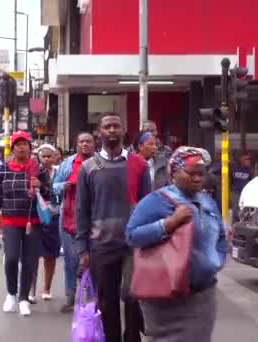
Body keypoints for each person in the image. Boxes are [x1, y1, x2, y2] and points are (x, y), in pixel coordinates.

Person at [125, 146, 226, 342]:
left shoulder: (207, 202)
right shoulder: (156, 201)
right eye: (191, 173)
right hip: (166, 295)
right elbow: (132, 236)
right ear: (174, 173)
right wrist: (169, 223)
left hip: (202, 294)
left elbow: (220, 235)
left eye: (201, 174)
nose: (197, 179)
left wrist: (216, 260)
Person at [75, 113, 150, 342]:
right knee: (106, 303)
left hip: (132, 245)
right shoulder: (88, 168)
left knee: (132, 297)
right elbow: (82, 210)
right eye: (107, 126)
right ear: (99, 131)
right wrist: (83, 249)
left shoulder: (139, 164)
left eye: (116, 126)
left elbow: (148, 206)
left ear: (123, 129)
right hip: (101, 246)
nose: (112, 130)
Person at [0, 130, 51, 317]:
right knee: (11, 258)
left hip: (32, 221)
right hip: (10, 220)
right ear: (13, 148)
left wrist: (41, 187)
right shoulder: (3, 169)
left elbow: (50, 195)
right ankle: (11, 294)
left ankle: (24, 298)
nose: (22, 147)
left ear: (30, 147)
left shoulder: (37, 169)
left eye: (25, 144)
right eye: (18, 144)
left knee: (29, 261)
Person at [52, 132, 96, 313]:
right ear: (76, 145)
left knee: (91, 261)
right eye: (81, 141)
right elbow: (53, 186)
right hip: (69, 220)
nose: (85, 144)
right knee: (70, 261)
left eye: (88, 141)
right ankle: (70, 296)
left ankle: (91, 297)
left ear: (94, 144)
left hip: (93, 221)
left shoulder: (100, 164)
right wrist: (64, 186)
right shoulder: (67, 164)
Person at [29, 143, 61, 303]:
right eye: (44, 156)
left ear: (55, 157)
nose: (47, 159)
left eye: (50, 156)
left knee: (50, 255)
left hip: (54, 216)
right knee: (33, 254)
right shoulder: (35, 172)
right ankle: (30, 290)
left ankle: (46, 288)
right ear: (39, 157)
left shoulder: (60, 172)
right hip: (37, 216)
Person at [230, 153, 251, 219]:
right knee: (235, 207)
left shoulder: (249, 170)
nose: (248, 160)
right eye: (246, 159)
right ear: (241, 160)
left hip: (244, 192)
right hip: (235, 191)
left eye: (249, 159)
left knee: (243, 207)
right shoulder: (234, 168)